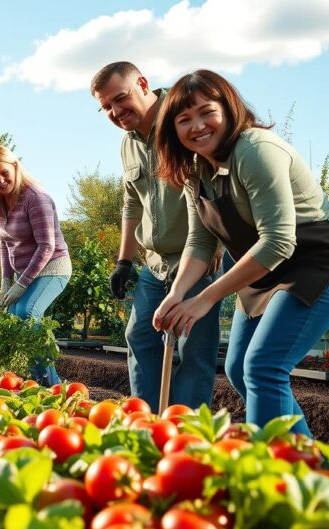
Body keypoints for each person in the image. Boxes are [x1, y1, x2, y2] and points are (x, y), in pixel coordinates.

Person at [152, 70, 329, 437]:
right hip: (264, 265)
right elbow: (200, 242)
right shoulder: (196, 170)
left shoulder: (256, 150)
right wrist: (178, 294)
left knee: (263, 367)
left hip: (320, 260)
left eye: (205, 112)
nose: (197, 126)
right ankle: (310, 468)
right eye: (184, 119)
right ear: (172, 130)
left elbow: (279, 241)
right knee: (238, 369)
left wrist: (206, 299)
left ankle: (273, 479)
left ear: (228, 109)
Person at [91, 61, 222, 411]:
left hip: (197, 257)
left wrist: (218, 242)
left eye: (120, 99)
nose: (117, 111)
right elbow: (131, 203)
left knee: (192, 347)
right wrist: (123, 260)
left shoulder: (181, 122)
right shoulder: (128, 144)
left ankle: (186, 428)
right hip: (155, 261)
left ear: (143, 84)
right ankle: (146, 420)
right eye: (107, 107)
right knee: (140, 336)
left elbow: (216, 181)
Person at [0, 144, 71, 385]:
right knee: (12, 316)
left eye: (4, 173)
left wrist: (20, 285)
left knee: (28, 313)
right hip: (24, 273)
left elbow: (46, 246)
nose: (0, 180)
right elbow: (4, 245)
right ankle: (29, 379)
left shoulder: (35, 199)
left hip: (53, 267)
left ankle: (50, 384)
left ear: (15, 167)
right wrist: (6, 282)